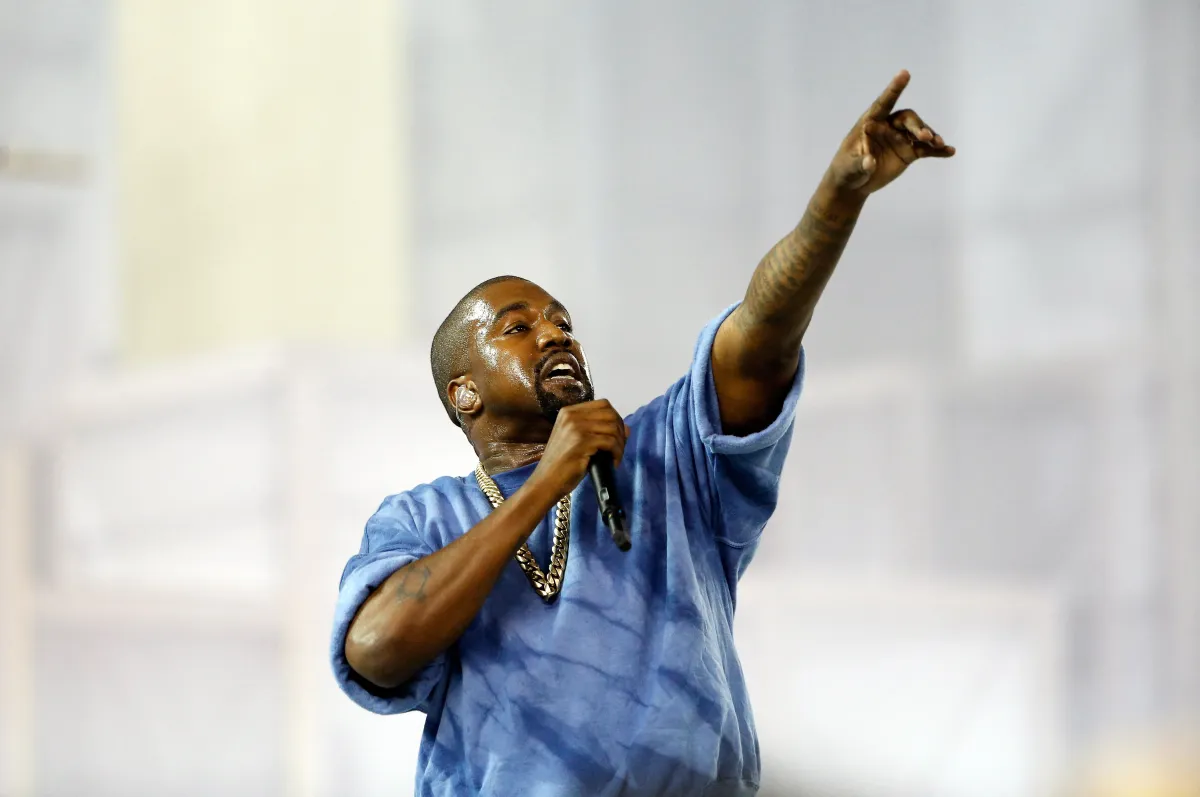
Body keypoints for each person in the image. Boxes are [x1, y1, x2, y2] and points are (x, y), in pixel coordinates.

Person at [330, 70, 953, 796]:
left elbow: (762, 335)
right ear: (463, 391)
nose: (555, 334)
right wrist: (546, 484)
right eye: (518, 327)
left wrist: (838, 199)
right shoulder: (423, 517)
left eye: (563, 322)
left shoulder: (664, 454)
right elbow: (376, 649)